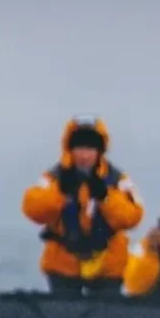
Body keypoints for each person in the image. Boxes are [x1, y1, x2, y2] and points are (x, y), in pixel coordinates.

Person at [22, 118, 143, 295]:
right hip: (63, 263)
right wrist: (60, 192)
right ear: (70, 149)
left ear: (100, 150)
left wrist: (106, 197)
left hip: (107, 264)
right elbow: (32, 210)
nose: (84, 155)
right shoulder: (54, 178)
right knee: (62, 315)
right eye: (79, 148)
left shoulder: (117, 180)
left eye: (90, 148)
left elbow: (133, 217)